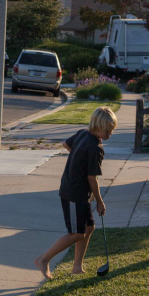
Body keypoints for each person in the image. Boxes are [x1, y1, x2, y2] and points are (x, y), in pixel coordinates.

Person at [34, 106, 118, 280]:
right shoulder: (95, 148)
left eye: (112, 130)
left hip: (73, 188)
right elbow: (92, 177)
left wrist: (77, 159)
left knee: (89, 227)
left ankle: (77, 267)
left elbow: (66, 144)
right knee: (76, 233)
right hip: (75, 194)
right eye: (108, 130)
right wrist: (100, 202)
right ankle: (43, 259)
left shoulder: (82, 133)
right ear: (98, 126)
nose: (110, 133)